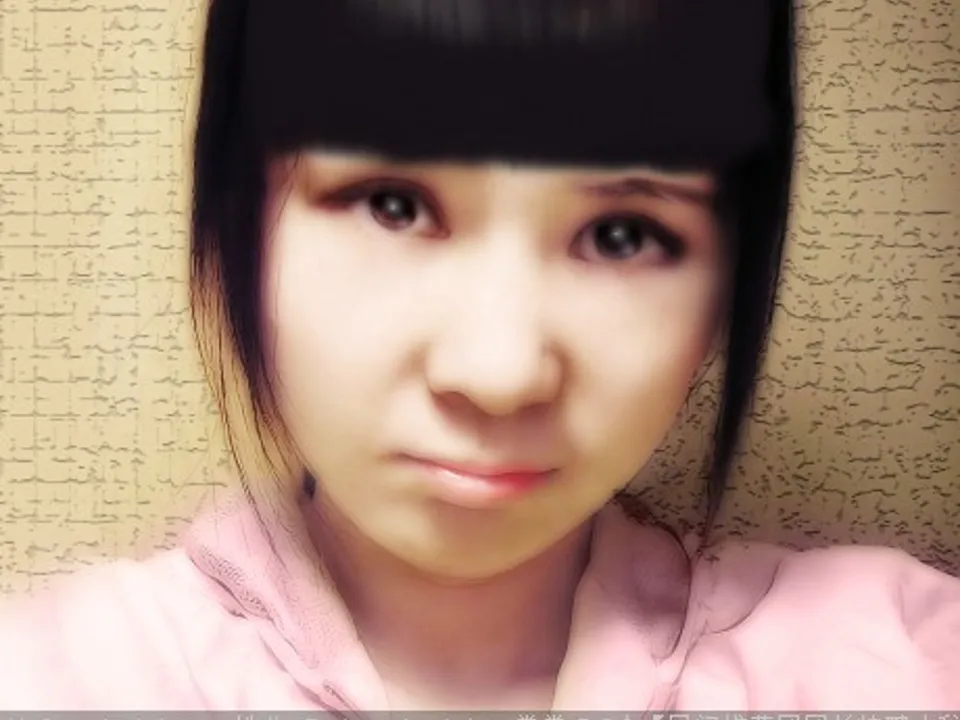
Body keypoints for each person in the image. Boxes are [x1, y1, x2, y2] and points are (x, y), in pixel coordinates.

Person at [1, 0, 958, 711]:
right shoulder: (59, 682)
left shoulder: (897, 666)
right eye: (394, 205)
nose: (498, 372)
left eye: (623, 234)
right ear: (235, 216)